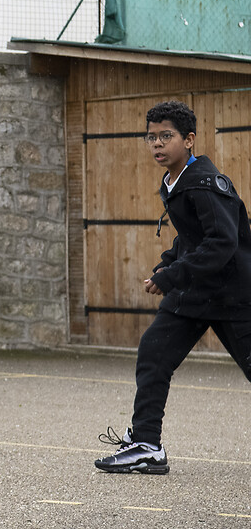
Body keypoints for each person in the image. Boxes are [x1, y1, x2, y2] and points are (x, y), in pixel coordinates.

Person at [95, 100, 251, 474]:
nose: (157, 144)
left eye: (167, 136)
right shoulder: (174, 181)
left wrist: (171, 276)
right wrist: (168, 261)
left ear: (190, 140)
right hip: (196, 293)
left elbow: (221, 244)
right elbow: (192, 237)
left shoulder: (205, 184)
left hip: (233, 295)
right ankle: (147, 446)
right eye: (151, 137)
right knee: (154, 353)